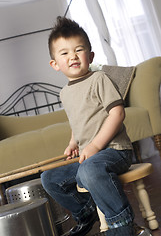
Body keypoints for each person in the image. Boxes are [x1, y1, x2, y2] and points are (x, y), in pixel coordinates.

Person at [41, 17, 150, 236]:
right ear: (55, 64)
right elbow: (78, 120)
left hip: (115, 151)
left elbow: (117, 113)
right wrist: (74, 142)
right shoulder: (65, 93)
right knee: (49, 178)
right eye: (64, 53)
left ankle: (122, 225)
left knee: (91, 170)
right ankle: (86, 211)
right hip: (89, 157)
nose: (72, 56)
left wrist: (95, 145)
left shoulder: (99, 79)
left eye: (78, 50)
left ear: (90, 56)